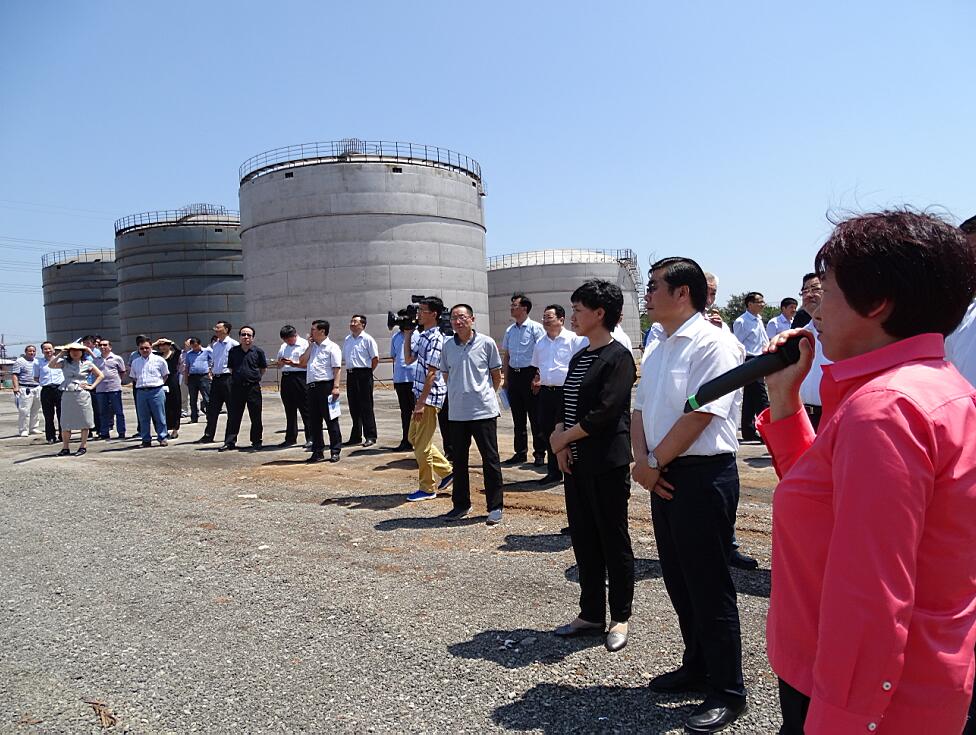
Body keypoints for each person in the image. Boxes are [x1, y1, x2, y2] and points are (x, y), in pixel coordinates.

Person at [759, 210, 976, 734]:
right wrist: (785, 402)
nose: (815, 308)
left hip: (860, 696)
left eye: (827, 289)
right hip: (905, 679)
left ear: (876, 302)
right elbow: (826, 501)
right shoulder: (932, 386)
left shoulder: (885, 409)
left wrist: (841, 720)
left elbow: (871, 597)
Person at [633, 258, 747, 733]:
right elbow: (639, 408)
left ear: (683, 293)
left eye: (654, 286)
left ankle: (728, 690)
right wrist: (643, 463)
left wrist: (653, 462)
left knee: (708, 583)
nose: (647, 294)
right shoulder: (659, 345)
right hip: (662, 472)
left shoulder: (714, 343)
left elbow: (702, 414)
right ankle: (697, 666)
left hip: (701, 475)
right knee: (679, 579)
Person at [549, 279, 636, 655]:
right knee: (584, 539)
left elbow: (605, 413)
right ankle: (590, 614)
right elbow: (566, 402)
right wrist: (559, 439)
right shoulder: (579, 356)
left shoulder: (619, 357)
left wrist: (564, 439)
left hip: (606, 464)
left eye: (578, 310)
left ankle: (620, 616)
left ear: (600, 313)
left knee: (612, 540)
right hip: (576, 463)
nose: (573, 316)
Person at [440, 304, 504, 524]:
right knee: (459, 460)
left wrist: (483, 394)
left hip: (483, 411)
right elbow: (447, 375)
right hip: (457, 412)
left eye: (462, 317)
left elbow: (496, 375)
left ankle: (495, 506)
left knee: (490, 459)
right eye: (453, 318)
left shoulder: (486, 343)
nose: (457, 321)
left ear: (472, 319)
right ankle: (461, 504)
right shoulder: (448, 346)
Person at [530, 304, 588, 485]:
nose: (545, 321)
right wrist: (537, 379)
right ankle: (554, 471)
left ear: (561, 320)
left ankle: (573, 468)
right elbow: (538, 367)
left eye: (549, 317)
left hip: (567, 392)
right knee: (547, 430)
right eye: (544, 317)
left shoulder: (574, 340)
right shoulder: (540, 343)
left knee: (569, 429)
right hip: (546, 392)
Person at [403, 297, 453, 501]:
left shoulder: (436, 339)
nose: (419, 314)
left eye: (423, 311)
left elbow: (432, 373)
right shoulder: (424, 335)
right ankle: (448, 471)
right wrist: (408, 334)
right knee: (413, 438)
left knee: (422, 445)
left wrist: (421, 403)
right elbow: (408, 359)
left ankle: (427, 487)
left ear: (434, 314)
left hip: (429, 397)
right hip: (421, 395)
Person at [282, 319, 342, 463]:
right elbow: (302, 362)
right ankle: (317, 451)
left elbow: (337, 368)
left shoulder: (332, 347)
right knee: (314, 421)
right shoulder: (312, 347)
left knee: (331, 420)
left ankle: (335, 450)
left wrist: (336, 387)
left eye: (313, 329)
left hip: (326, 386)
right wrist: (310, 346)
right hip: (311, 387)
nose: (311, 332)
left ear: (322, 331)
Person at [500, 292, 546, 466]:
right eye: (511, 305)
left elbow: (542, 353)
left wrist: (538, 376)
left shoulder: (535, 328)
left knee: (535, 417)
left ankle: (539, 453)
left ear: (525, 308)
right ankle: (520, 452)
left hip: (530, 374)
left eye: (515, 305)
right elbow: (507, 355)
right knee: (517, 418)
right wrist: (506, 379)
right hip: (515, 375)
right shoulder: (510, 330)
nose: (511, 308)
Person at [48, 342, 104, 456]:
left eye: (77, 350)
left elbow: (101, 375)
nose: (75, 352)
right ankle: (65, 447)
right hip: (67, 393)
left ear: (82, 352)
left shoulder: (87, 363)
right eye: (72, 350)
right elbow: (51, 365)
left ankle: (83, 446)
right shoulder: (64, 363)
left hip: (82, 394)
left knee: (84, 420)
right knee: (65, 421)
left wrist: (92, 386)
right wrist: (61, 354)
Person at [220, 326, 267, 452]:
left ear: (253, 338)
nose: (246, 337)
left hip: (253, 388)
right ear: (239, 336)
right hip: (237, 388)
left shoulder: (258, 352)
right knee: (234, 415)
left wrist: (253, 377)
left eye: (248, 335)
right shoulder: (233, 351)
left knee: (255, 416)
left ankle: (256, 441)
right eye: (243, 334)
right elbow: (231, 368)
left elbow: (263, 369)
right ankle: (230, 442)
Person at [732, 292, 770, 441]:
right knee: (761, 398)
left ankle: (748, 431)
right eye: (759, 302)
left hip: (760, 358)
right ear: (750, 304)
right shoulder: (741, 321)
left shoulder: (758, 319)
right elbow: (737, 343)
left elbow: (763, 340)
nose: (762, 304)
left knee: (750, 397)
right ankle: (768, 431)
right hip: (749, 360)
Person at [197, 321, 238, 444]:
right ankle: (208, 435)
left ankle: (230, 438)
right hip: (216, 379)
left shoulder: (233, 344)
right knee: (212, 409)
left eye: (218, 328)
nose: (216, 330)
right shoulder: (215, 345)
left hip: (228, 378)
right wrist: (211, 370)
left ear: (226, 330)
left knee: (232, 410)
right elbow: (214, 361)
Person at [342, 314, 379, 447]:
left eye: (355, 322)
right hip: (351, 374)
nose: (352, 324)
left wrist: (368, 372)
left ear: (362, 325)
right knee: (353, 406)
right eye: (351, 321)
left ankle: (370, 435)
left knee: (366, 406)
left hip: (364, 374)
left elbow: (375, 358)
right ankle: (356, 436)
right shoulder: (347, 339)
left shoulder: (367, 339)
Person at [129, 337, 169, 448]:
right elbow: (134, 377)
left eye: (147, 348)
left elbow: (165, 375)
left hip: (156, 391)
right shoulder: (135, 362)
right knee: (143, 417)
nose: (144, 350)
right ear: (138, 349)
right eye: (142, 348)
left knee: (160, 416)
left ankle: (162, 437)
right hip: (141, 392)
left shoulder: (159, 360)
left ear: (151, 347)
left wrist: (157, 384)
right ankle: (146, 439)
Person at [276, 325, 311, 448]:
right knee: (289, 409)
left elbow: (307, 364)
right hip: (286, 378)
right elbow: (279, 364)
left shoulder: (305, 345)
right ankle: (290, 437)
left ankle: (310, 437)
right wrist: (280, 362)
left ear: (294, 335)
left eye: (288, 339)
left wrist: (293, 364)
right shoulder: (283, 346)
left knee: (305, 409)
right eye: (284, 340)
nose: (287, 342)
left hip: (300, 377)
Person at [390, 313, 418, 451]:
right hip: (400, 379)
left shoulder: (418, 335)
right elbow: (394, 357)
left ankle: (418, 440)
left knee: (417, 412)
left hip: (415, 379)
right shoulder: (395, 337)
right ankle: (406, 440)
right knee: (405, 412)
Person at [93, 338, 127, 440]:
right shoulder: (96, 360)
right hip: (100, 389)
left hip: (114, 389)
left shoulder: (117, 358)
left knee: (118, 411)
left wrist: (117, 381)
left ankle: (121, 432)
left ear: (110, 347)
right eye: (100, 345)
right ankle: (104, 433)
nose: (102, 347)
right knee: (103, 412)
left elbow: (122, 371)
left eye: (105, 345)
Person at [153, 338, 182, 439]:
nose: (163, 347)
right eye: (161, 345)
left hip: (172, 381)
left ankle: (175, 429)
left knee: (175, 404)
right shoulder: (157, 356)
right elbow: (146, 350)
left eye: (165, 345)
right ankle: (164, 428)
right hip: (161, 381)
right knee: (164, 406)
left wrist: (170, 341)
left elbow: (179, 350)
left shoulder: (174, 354)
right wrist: (155, 343)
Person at [10, 344, 41, 437]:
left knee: (36, 409)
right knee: (24, 410)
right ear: (26, 352)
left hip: (37, 387)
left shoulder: (37, 361)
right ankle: (23, 429)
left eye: (33, 351)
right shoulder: (20, 361)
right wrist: (16, 387)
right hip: (25, 388)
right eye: (30, 351)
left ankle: (33, 428)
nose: (32, 353)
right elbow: (15, 375)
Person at [38, 341, 63, 444]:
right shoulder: (38, 362)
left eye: (49, 348)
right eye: (45, 349)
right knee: (48, 415)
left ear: (53, 349)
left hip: (59, 389)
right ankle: (50, 437)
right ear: (42, 351)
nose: (48, 351)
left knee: (62, 414)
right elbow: (36, 377)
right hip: (46, 390)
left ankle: (63, 435)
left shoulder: (61, 361)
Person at [183, 337, 212, 423]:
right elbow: (187, 366)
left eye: (196, 346)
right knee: (193, 399)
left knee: (207, 398)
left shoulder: (206, 351)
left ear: (199, 344)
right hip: (192, 377)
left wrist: (210, 371)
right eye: (192, 346)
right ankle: (194, 417)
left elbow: (213, 360)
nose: (194, 348)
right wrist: (186, 378)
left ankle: (210, 417)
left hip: (204, 377)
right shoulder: (189, 354)